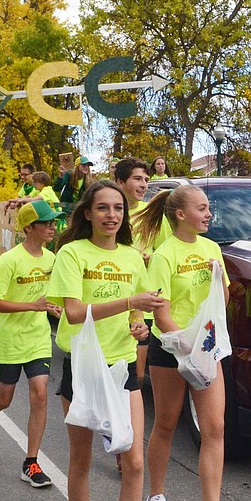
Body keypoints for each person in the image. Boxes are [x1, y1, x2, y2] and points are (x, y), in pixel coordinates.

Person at [46, 181, 164, 501]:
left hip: (122, 366)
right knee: (81, 459)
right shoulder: (73, 254)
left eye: (117, 208)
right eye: (103, 208)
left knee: (132, 462)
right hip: (82, 368)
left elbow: (139, 311)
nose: (112, 215)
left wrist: (139, 322)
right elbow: (74, 313)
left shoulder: (133, 257)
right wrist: (130, 300)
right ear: (89, 214)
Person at [136, 184, 248, 501]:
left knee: (214, 427)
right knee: (166, 423)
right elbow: (161, 314)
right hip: (172, 347)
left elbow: (224, 297)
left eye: (208, 207)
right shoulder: (164, 254)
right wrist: (184, 346)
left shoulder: (211, 248)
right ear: (181, 215)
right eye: (202, 208)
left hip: (207, 347)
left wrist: (218, 276)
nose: (209, 214)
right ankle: (155, 496)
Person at [0, 200, 63, 489]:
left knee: (40, 394)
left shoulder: (52, 260)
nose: (52, 227)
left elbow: (53, 296)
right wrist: (33, 305)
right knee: (4, 399)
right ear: (29, 228)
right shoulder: (10, 260)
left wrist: (54, 308)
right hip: (10, 340)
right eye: (47, 223)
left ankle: (31, 462)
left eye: (54, 222)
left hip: (38, 338)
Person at [115, 157, 153, 391]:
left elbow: (166, 248)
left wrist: (152, 258)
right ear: (120, 182)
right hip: (112, 299)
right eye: (137, 179)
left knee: (134, 380)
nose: (143, 185)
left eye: (146, 180)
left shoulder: (151, 213)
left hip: (141, 300)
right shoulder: (108, 212)